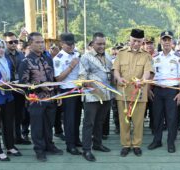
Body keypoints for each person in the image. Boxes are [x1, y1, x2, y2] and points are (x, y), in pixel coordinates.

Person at [19, 32, 63, 162]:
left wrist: (58, 93)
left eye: (42, 42)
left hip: (50, 98)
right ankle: (39, 150)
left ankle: (49, 145)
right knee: (37, 126)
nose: (41, 45)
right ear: (30, 44)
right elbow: (23, 84)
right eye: (37, 42)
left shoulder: (48, 58)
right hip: (35, 100)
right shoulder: (25, 62)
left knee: (49, 124)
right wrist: (39, 86)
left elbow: (53, 78)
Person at [113, 29, 153, 157]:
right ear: (130, 39)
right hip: (123, 92)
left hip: (139, 93)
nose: (136, 43)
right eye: (134, 41)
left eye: (139, 41)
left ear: (142, 41)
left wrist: (143, 80)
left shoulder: (146, 55)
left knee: (138, 121)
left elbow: (148, 71)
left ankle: (136, 144)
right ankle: (125, 144)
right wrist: (119, 79)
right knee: (123, 121)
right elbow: (116, 70)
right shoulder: (121, 53)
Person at [148, 31, 180, 153]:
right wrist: (149, 89)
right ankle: (157, 140)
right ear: (161, 41)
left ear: (172, 42)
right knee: (157, 117)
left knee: (172, 118)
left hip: (172, 91)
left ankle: (171, 142)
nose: (166, 42)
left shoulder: (178, 57)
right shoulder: (155, 57)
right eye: (164, 40)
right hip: (158, 91)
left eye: (168, 40)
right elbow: (150, 75)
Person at [78, 32, 112, 162]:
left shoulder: (108, 57)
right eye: (99, 44)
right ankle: (86, 149)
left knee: (100, 122)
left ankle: (97, 144)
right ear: (92, 43)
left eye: (103, 43)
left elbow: (111, 74)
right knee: (89, 123)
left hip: (107, 95)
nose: (102, 46)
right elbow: (81, 77)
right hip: (92, 96)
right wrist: (93, 87)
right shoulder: (85, 57)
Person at [53, 33, 82, 155]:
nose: (71, 46)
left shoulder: (76, 54)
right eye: (69, 44)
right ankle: (70, 145)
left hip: (78, 89)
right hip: (67, 91)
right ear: (62, 44)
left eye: (73, 43)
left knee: (77, 117)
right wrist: (71, 66)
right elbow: (58, 78)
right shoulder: (58, 58)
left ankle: (76, 139)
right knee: (69, 119)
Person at [3, 31, 31, 145]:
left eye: (16, 41)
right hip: (7, 88)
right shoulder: (2, 55)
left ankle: (18, 137)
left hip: (19, 88)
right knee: (8, 116)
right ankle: (9, 141)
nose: (14, 44)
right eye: (10, 42)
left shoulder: (20, 54)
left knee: (20, 114)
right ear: (5, 43)